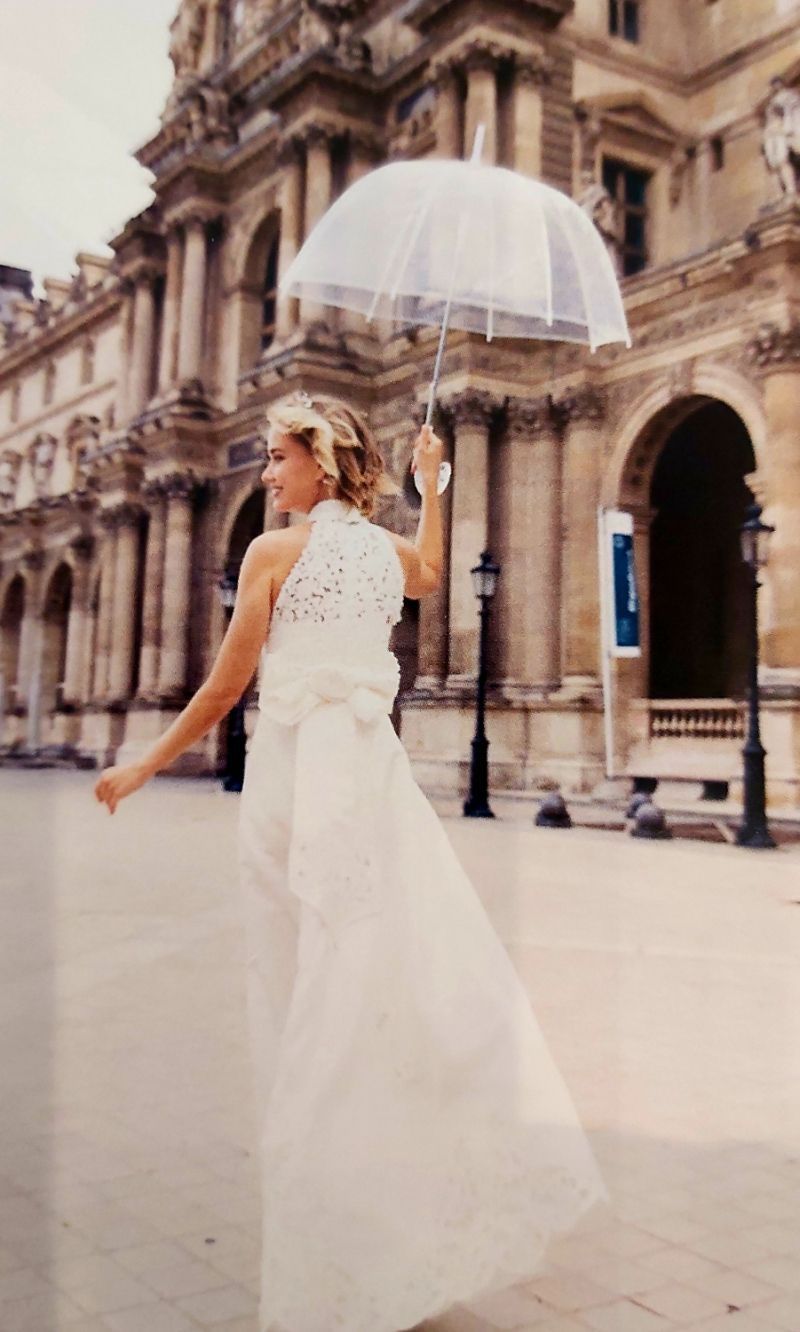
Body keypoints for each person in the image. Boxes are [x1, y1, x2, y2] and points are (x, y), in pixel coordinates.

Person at [94, 391, 609, 1332]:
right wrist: (432, 487)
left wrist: (146, 762)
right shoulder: (385, 553)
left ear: (322, 464)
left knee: (302, 998)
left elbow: (224, 685)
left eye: (277, 459)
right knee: (378, 984)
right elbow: (434, 569)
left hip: (299, 781)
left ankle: (334, 1236)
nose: (266, 475)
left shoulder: (273, 552)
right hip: (372, 779)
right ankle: (390, 1220)